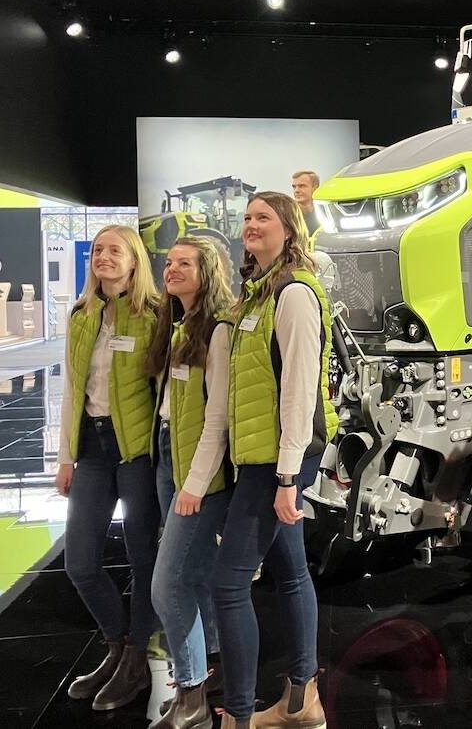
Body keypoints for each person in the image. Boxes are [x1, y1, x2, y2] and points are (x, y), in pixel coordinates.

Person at [213, 192, 338, 729]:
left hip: (279, 462)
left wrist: (287, 476)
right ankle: (302, 701)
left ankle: (238, 716)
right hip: (264, 458)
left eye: (263, 217)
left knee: (228, 583)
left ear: (289, 229)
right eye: (245, 218)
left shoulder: (294, 295)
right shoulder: (256, 296)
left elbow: (299, 392)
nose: (251, 225)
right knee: (290, 573)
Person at [55, 225, 162, 711]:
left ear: (134, 261)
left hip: (137, 452)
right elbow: (73, 392)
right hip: (92, 451)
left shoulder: (156, 317)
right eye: (98, 250)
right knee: (80, 563)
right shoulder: (82, 315)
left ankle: (137, 661)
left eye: (114, 250)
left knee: (143, 562)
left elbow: (169, 395)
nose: (103, 257)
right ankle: (117, 646)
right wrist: (64, 457)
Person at [146, 237, 235, 729]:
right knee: (193, 576)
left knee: (168, 586)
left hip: (196, 472)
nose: (171, 269)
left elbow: (217, 418)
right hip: (167, 457)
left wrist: (195, 485)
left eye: (184, 263)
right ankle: (210, 672)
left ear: (208, 272)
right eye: (169, 262)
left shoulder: (216, 330)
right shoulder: (174, 321)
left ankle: (193, 693)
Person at [290, 170, 321, 235]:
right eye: (294, 187)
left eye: (301, 186)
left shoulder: (326, 213)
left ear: (315, 188)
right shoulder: (288, 214)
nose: (296, 190)